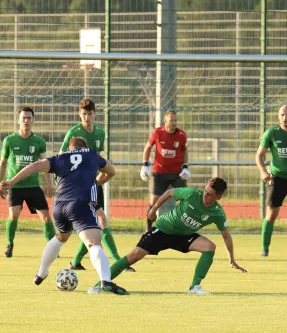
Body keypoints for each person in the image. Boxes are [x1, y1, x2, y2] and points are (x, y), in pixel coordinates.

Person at [0, 137, 128, 295]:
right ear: (84, 147)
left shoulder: (60, 158)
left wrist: (11, 181)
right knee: (94, 242)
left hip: (59, 206)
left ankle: (41, 273)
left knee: (61, 236)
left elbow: (34, 166)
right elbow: (111, 171)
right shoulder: (92, 155)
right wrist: (96, 181)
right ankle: (106, 281)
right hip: (80, 204)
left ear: (69, 148)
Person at [87, 178, 247, 295]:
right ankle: (100, 284)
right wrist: (154, 209)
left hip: (183, 236)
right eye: (205, 191)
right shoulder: (192, 194)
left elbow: (226, 236)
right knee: (133, 256)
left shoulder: (217, 213)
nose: (205, 196)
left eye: (210, 194)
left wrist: (231, 259)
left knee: (210, 247)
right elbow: (170, 192)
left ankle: (194, 287)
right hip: (163, 229)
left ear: (219, 197)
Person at [60, 98, 132, 272]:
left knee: (95, 223)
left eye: (89, 114)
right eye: (83, 114)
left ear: (94, 114)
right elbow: (62, 155)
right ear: (79, 114)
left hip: (91, 184)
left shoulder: (100, 132)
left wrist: (98, 179)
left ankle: (76, 261)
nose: (86, 118)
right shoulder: (74, 132)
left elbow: (98, 157)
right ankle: (117, 260)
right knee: (100, 219)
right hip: (79, 185)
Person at [0, 106, 56, 258]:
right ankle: (9, 244)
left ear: (33, 120)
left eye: (29, 118)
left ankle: (52, 249)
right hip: (15, 186)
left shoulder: (39, 141)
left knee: (47, 217)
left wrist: (49, 184)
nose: (26, 121)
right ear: (18, 120)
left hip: (33, 186)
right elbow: (3, 163)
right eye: (23, 118)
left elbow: (45, 164)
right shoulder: (9, 140)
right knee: (14, 214)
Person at [141, 110, 190, 231]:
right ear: (165, 121)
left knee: (184, 201)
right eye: (171, 120)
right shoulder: (157, 133)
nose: (174, 123)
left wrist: (185, 167)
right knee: (153, 202)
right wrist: (145, 165)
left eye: (175, 120)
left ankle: (182, 229)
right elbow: (147, 148)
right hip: (159, 173)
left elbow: (184, 151)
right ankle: (148, 230)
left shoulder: (182, 135)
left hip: (177, 174)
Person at [256, 104, 287, 256]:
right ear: (278, 116)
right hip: (276, 178)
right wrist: (264, 171)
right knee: (271, 214)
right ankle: (265, 248)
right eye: (282, 115)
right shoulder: (272, 133)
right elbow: (259, 155)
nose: (285, 118)